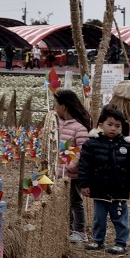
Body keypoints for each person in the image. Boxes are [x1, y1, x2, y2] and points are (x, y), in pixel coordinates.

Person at [77, 107, 130, 255]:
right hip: (99, 188)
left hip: (119, 190)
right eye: (110, 124)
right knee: (99, 218)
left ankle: (121, 243)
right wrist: (84, 184)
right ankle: (98, 240)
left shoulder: (128, 146)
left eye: (117, 126)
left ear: (122, 127)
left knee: (119, 218)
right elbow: (85, 166)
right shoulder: (91, 145)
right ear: (101, 124)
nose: (113, 128)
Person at [53, 89, 93, 243]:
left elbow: (83, 151)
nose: (54, 107)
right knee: (65, 202)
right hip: (59, 171)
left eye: (56, 104)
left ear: (63, 106)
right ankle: (68, 228)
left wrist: (71, 165)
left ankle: (80, 230)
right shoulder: (58, 123)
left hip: (72, 173)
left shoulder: (79, 128)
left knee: (75, 201)